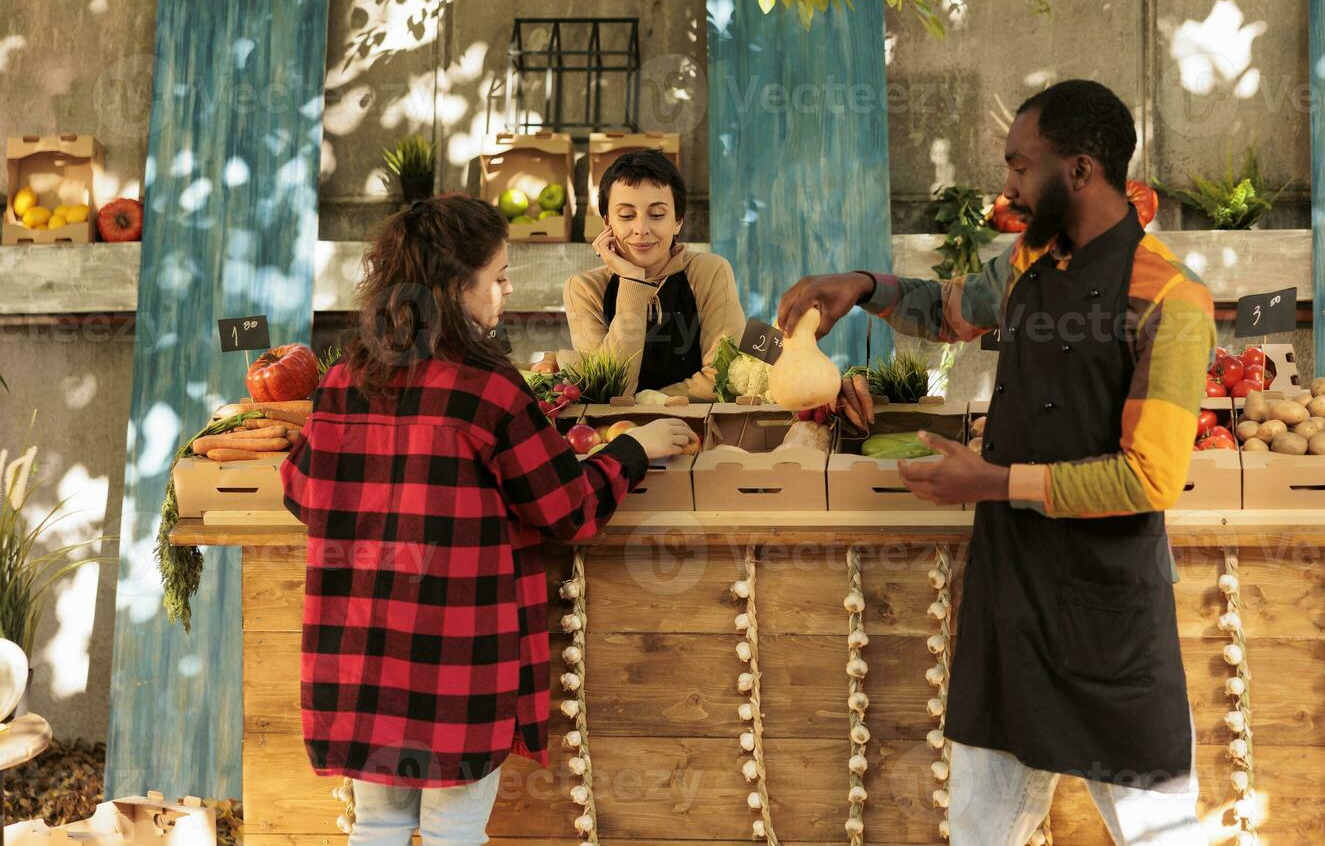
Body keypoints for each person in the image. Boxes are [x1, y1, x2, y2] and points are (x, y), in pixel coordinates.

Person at [778, 80, 1216, 845]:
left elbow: (1149, 477)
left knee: (1159, 831)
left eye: (1021, 165)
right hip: (1011, 591)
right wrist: (863, 286)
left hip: (1109, 611)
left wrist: (989, 483)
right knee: (981, 827)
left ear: (1079, 171)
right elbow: (950, 310)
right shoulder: (1030, 259)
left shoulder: (1170, 298)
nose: (1007, 184)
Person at [280, 195, 695, 845]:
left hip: (361, 660)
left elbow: (302, 493)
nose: (505, 292)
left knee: (378, 827)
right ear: (453, 288)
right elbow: (569, 510)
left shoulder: (344, 381)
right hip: (457, 660)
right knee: (455, 833)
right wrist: (635, 450)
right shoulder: (491, 388)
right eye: (497, 277)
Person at [563, 149, 746, 400]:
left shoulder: (709, 272)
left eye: (657, 215)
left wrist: (650, 401)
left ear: (678, 220)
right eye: (626, 216)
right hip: (614, 435)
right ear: (607, 223)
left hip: (697, 428)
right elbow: (609, 389)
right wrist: (632, 282)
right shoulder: (584, 288)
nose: (641, 229)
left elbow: (723, 377)